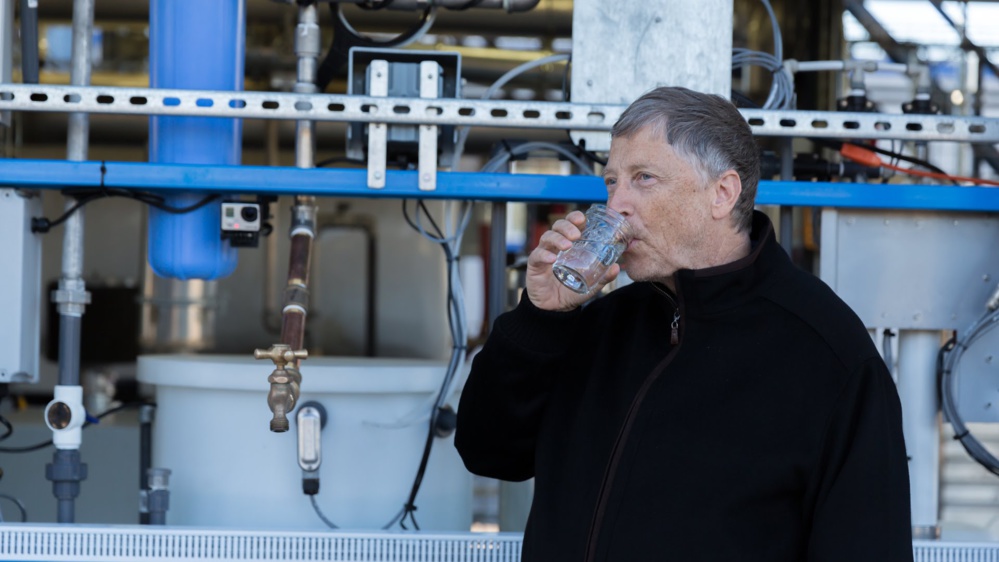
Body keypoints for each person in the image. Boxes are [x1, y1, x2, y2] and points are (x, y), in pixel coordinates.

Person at [454, 86, 913, 562]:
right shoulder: (601, 325)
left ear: (722, 193)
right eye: (612, 182)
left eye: (644, 178)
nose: (616, 206)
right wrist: (540, 317)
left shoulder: (828, 354)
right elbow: (488, 452)